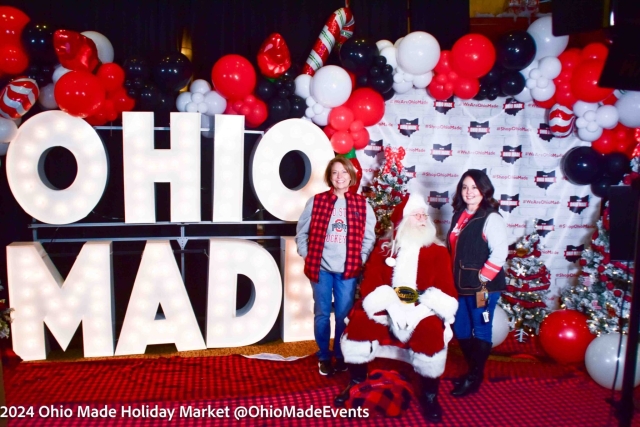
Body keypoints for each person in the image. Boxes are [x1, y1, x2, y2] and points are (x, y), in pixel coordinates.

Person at [334, 190, 458, 423]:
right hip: (388, 305)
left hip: (423, 308)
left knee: (430, 333)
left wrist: (419, 310)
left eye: (424, 215)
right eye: (417, 215)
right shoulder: (384, 248)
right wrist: (391, 307)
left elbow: (446, 292)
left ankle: (430, 395)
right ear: (403, 221)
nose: (423, 219)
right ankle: (356, 382)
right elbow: (371, 285)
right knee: (359, 323)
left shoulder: (438, 251)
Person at [296, 157, 377, 377]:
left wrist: (361, 258)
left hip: (347, 270)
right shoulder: (317, 201)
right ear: (329, 176)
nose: (339, 176)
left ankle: (341, 355)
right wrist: (307, 254)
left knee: (343, 315)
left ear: (351, 176)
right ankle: (324, 355)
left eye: (344, 172)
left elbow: (369, 237)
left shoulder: (362, 204)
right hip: (320, 269)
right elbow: (301, 233)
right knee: (322, 313)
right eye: (335, 172)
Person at [446, 169, 508, 397]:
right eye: (465, 187)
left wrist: (482, 278)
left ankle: (473, 376)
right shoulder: (459, 215)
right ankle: (474, 370)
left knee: (481, 327)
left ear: (484, 190)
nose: (469, 192)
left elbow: (499, 253)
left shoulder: (491, 218)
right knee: (461, 328)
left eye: (474, 187)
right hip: (461, 286)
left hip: (483, 289)